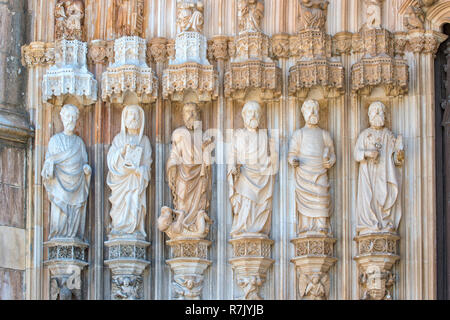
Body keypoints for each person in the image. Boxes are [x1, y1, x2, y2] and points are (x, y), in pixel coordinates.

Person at [228, 101, 278, 238]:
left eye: (256, 112)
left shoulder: (264, 135)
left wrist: (273, 154)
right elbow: (233, 154)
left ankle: (257, 228)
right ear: (244, 116)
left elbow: (271, 161)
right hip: (244, 174)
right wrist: (232, 165)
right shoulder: (238, 134)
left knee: (260, 204)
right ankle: (244, 227)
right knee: (246, 203)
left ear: (260, 116)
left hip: (261, 175)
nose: (253, 115)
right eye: (250, 112)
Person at [354, 101, 404, 235]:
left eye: (380, 112)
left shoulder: (388, 135)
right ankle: (370, 224)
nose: (377, 114)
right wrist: (367, 153)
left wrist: (399, 154)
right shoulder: (365, 135)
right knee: (370, 198)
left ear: (385, 116)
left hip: (385, 173)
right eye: (374, 112)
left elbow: (395, 160)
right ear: (369, 115)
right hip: (368, 173)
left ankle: (385, 223)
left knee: (385, 197)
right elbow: (356, 154)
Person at [42, 104, 91, 240]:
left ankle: (72, 236)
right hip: (59, 186)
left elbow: (84, 163)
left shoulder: (79, 143)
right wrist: (50, 166)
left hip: (76, 185)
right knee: (60, 215)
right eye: (68, 117)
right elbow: (48, 164)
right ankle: (60, 237)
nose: (71, 120)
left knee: (74, 212)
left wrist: (87, 170)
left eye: (73, 117)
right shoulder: (55, 140)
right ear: (62, 118)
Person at [288, 99, 335, 235]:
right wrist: (293, 160)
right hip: (304, 173)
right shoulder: (299, 134)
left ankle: (322, 226)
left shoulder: (324, 134)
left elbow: (332, 153)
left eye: (315, 110)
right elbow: (291, 154)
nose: (312, 113)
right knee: (305, 201)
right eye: (309, 110)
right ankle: (306, 226)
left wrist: (330, 161)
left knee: (321, 197)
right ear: (304, 113)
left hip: (320, 172)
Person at [107, 105, 152, 239]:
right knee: (120, 209)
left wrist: (139, 170)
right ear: (124, 119)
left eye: (136, 115)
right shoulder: (119, 139)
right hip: (121, 182)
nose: (133, 117)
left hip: (135, 183)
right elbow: (111, 161)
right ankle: (119, 228)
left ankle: (135, 229)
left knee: (134, 205)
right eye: (130, 114)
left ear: (141, 119)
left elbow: (148, 166)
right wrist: (121, 151)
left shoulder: (144, 141)